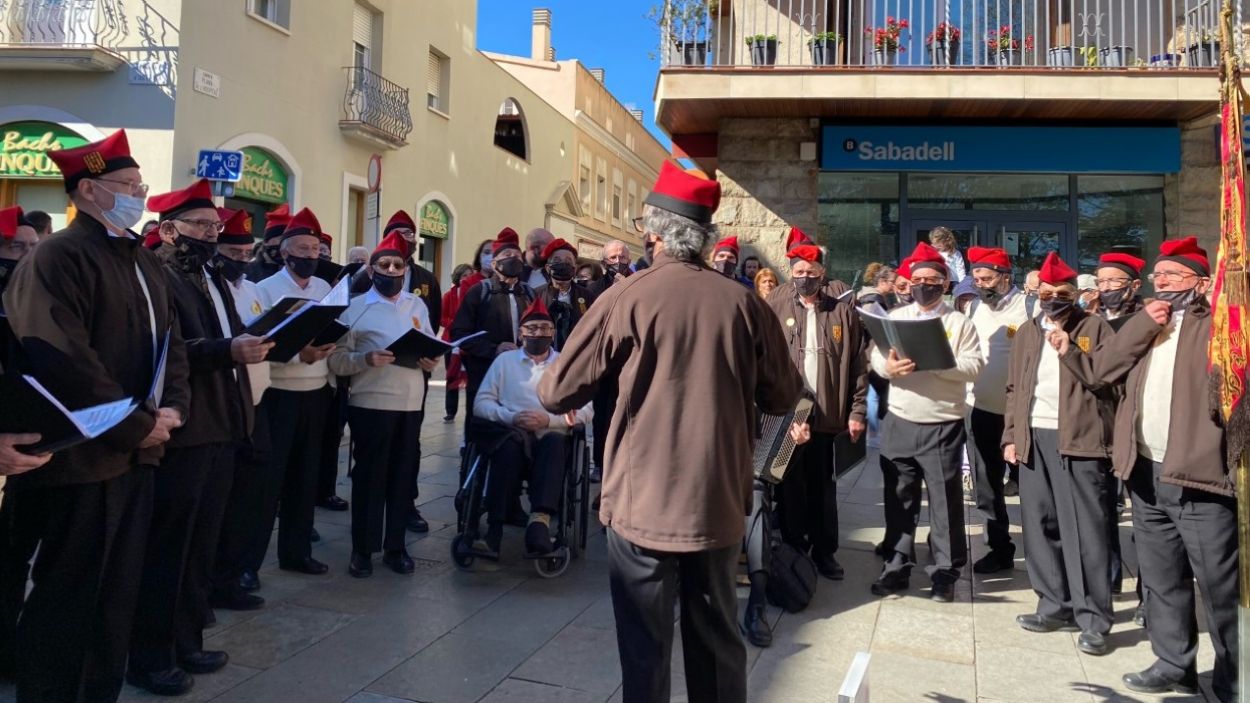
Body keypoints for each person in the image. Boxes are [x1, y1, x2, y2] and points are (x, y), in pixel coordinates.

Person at [539, 161, 803, 703]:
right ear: (704, 238)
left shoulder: (627, 295)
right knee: (717, 642)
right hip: (718, 500)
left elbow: (557, 391)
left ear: (654, 232)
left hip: (643, 501)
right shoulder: (746, 304)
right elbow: (783, 395)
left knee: (643, 645)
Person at [3, 129, 191, 703]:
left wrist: (174, 408)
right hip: (79, 459)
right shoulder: (59, 257)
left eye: (141, 185)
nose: (139, 194)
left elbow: (172, 343)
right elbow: (64, 360)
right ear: (88, 189)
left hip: (136, 456)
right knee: (69, 596)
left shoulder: (143, 259)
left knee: (116, 596)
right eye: (128, 185)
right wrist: (139, 422)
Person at [127, 183, 265, 696]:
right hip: (185, 429)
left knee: (200, 544)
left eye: (215, 225)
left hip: (221, 423)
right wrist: (228, 349)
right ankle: (148, 654)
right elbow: (168, 348)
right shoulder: (157, 273)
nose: (214, 233)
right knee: (168, 547)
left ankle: (187, 638)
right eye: (203, 225)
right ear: (168, 230)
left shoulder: (207, 275)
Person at [1092, 237, 1238, 700]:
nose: (1163, 282)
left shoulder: (1217, 324)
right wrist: (1141, 326)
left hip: (1198, 475)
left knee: (1218, 586)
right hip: (1145, 470)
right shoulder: (1145, 322)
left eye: (1174, 275)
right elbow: (1100, 372)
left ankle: (1235, 674)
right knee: (1161, 578)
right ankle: (1174, 661)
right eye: (1158, 275)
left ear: (1201, 281)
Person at [1002, 251, 1116, 656]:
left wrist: (1070, 350)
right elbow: (1014, 387)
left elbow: (1107, 381)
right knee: (1039, 524)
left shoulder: (1095, 327)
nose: (1051, 298)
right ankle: (1054, 604)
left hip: (1080, 442)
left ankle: (1094, 619)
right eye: (1045, 292)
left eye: (1060, 292)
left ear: (1075, 294)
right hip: (1034, 438)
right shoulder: (1029, 330)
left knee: (1084, 532)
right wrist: (1011, 435)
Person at [869, 241, 984, 602]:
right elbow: (875, 355)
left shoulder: (958, 322)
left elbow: (975, 366)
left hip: (942, 425)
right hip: (901, 420)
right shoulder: (897, 319)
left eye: (932, 279)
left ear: (945, 282)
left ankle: (944, 574)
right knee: (899, 499)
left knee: (944, 503)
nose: (923, 285)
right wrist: (886, 367)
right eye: (917, 279)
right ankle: (897, 566)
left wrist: (938, 361)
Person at [763, 242, 867, 637]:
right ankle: (793, 550)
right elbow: (766, 361)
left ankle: (825, 553)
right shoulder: (776, 305)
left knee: (823, 486)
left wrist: (857, 412)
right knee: (789, 488)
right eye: (798, 270)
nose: (804, 277)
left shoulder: (841, 311)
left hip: (827, 415)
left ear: (823, 273)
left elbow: (858, 365)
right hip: (787, 415)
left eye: (811, 271)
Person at [329, 230, 439, 578]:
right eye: (384, 265)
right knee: (369, 478)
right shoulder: (355, 309)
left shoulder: (417, 305)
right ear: (372, 269)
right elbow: (336, 361)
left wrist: (431, 361)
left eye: (398, 265)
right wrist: (365, 359)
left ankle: (395, 546)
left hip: (410, 404)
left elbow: (431, 345)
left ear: (406, 270)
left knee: (402, 478)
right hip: (370, 403)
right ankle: (362, 549)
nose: (392, 270)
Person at [473, 297, 592, 557]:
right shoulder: (503, 363)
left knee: (553, 442)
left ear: (552, 333)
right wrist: (510, 417)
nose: (539, 333)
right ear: (520, 333)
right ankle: (494, 530)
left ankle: (539, 523)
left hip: (551, 438)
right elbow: (480, 404)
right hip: (512, 433)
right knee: (507, 447)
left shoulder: (565, 364)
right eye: (532, 328)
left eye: (544, 328)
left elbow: (585, 410)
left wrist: (550, 420)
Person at [254, 207, 337, 576]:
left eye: (315, 249)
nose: (309, 255)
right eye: (301, 248)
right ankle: (248, 563)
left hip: (316, 391)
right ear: (285, 252)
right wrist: (297, 352)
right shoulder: (264, 289)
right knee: (267, 481)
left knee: (305, 478)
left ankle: (297, 552)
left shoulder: (324, 289)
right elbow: (256, 344)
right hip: (278, 393)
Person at [209, 209, 272, 606]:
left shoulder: (251, 290)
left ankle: (237, 571)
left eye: (248, 251)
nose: (242, 259)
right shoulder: (207, 288)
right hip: (222, 405)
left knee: (252, 492)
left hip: (256, 400)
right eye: (233, 250)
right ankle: (215, 579)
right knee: (222, 498)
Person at [962, 246, 1033, 576]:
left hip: (1020, 416)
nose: (981, 284)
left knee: (1033, 489)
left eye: (987, 278)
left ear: (1006, 277)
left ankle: (1043, 555)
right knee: (987, 487)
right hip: (980, 410)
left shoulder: (1028, 307)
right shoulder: (975, 307)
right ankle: (998, 549)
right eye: (976, 278)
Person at [0, 205, 49, 681]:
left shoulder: (31, 303)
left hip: (27, 458)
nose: (26, 257)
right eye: (15, 248)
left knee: (12, 562)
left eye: (33, 249)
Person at [449, 227, 534, 420]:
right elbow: (460, 333)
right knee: (483, 421)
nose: (513, 258)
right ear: (494, 264)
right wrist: (494, 349)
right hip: (485, 371)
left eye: (516, 255)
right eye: (507, 254)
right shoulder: (479, 291)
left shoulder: (529, 294)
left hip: (521, 373)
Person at [534, 238, 595, 351]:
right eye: (557, 261)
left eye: (568, 262)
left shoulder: (587, 296)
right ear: (548, 268)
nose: (563, 265)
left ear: (574, 268)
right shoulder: (536, 295)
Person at [769, 227, 849, 301]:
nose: (805, 277)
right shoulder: (776, 296)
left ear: (822, 271)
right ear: (792, 271)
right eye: (800, 272)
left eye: (810, 272)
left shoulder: (840, 290)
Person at [441, 263, 473, 422]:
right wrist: (456, 324)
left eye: (470, 275)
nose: (467, 278)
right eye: (464, 275)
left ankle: (471, 410)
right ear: (458, 277)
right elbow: (442, 317)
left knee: (471, 378)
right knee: (451, 376)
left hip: (470, 342)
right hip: (451, 342)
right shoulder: (448, 295)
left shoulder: (475, 294)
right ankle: (450, 411)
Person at [1095, 252, 1146, 326]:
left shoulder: (1146, 320)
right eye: (1101, 281)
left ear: (1135, 285)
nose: (1105, 288)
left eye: (1113, 281)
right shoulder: (1089, 321)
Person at [244, 203, 290, 283]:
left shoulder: (292, 272)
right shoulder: (247, 272)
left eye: (288, 240)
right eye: (281, 238)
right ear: (267, 241)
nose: (284, 244)